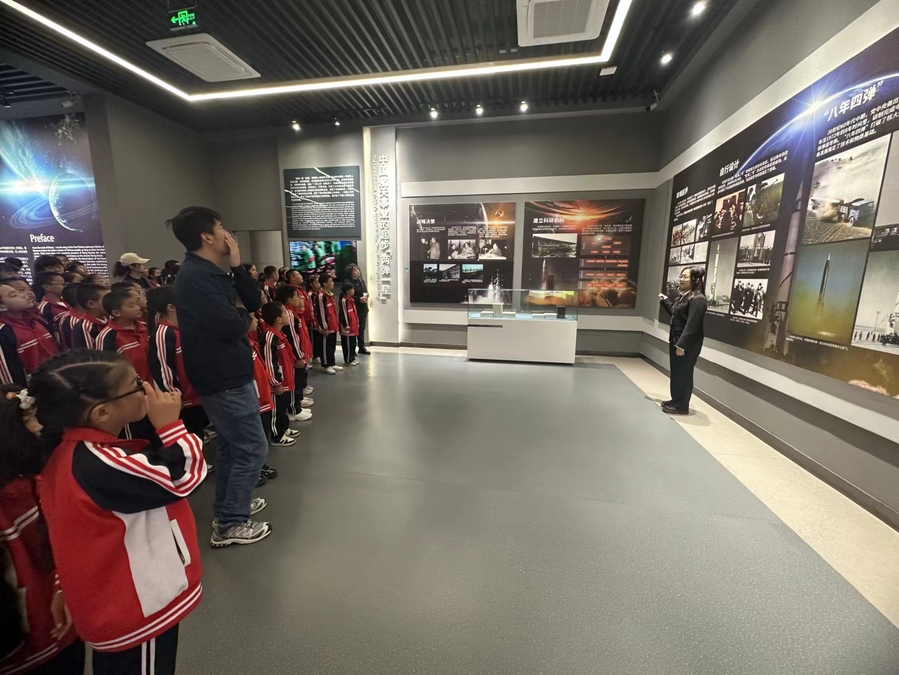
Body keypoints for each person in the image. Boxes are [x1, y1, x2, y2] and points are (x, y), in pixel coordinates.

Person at [31, 350, 206, 674]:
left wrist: (62, 584)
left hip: (114, 604)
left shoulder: (66, 453)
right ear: (102, 412)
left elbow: (65, 534)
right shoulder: (99, 465)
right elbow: (183, 476)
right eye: (136, 385)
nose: (147, 388)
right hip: (137, 610)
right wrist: (171, 426)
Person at [169, 206, 271, 548]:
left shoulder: (212, 272)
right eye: (222, 227)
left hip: (230, 372)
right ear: (207, 236)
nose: (228, 234)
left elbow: (253, 302)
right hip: (222, 376)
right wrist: (244, 319)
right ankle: (230, 523)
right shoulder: (195, 277)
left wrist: (238, 265)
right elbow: (231, 323)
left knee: (231, 446)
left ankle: (230, 508)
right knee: (252, 448)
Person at [0, 384, 83, 675]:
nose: (39, 427)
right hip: (38, 631)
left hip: (52, 622)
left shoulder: (34, 481)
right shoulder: (21, 495)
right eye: (28, 420)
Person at [146, 286, 215, 475]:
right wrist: (175, 396)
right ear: (171, 307)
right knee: (186, 431)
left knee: (196, 430)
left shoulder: (183, 327)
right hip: (182, 398)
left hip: (196, 393)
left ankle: (197, 462)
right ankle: (186, 470)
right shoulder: (163, 333)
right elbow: (163, 369)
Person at [658, 266, 708, 415]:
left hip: (686, 344)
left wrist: (682, 345)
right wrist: (665, 301)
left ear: (695, 279)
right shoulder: (685, 296)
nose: (681, 279)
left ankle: (682, 405)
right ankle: (676, 400)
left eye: (685, 277)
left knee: (684, 373)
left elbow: (692, 324)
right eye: (681, 276)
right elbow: (675, 313)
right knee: (676, 372)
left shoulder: (698, 300)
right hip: (677, 340)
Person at [0, 281, 58, 385]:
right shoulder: (4, 333)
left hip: (56, 380)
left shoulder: (36, 320)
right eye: (14, 295)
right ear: (2, 306)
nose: (24, 295)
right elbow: (10, 378)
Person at [259, 302, 300, 447]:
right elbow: (270, 361)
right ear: (278, 319)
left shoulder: (280, 334)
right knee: (277, 409)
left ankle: (284, 428)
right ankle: (277, 435)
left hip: (286, 379)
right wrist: (275, 382)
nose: (287, 314)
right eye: (284, 312)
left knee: (283, 406)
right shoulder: (270, 336)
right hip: (278, 382)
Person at [245, 314, 279, 486]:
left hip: (262, 395)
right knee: (251, 436)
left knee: (262, 434)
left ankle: (260, 464)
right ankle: (252, 470)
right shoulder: (240, 346)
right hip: (253, 399)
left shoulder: (249, 342)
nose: (257, 320)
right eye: (252, 318)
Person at [275, 285, 314, 414]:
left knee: (298, 380)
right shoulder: (289, 314)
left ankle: (298, 403)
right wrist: (298, 356)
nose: (300, 299)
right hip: (294, 356)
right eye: (297, 296)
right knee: (294, 381)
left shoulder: (292, 313)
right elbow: (292, 338)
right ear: (289, 300)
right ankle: (294, 410)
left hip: (297, 353)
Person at [314, 272, 341, 375]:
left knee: (332, 345)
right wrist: (324, 327)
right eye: (330, 281)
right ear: (325, 284)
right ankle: (326, 365)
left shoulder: (330, 294)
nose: (333, 283)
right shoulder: (321, 296)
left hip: (333, 325)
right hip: (326, 327)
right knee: (325, 347)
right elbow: (321, 313)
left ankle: (332, 363)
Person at [71, 284, 109, 350]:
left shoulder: (110, 317)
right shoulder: (85, 327)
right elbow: (88, 354)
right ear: (91, 304)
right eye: (106, 299)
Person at [345, 264, 370, 355]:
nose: (358, 271)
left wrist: (366, 296)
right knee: (353, 329)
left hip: (363, 308)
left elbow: (365, 291)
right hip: (353, 309)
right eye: (355, 270)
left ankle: (361, 347)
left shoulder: (361, 281)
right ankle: (352, 349)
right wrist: (359, 299)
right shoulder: (347, 283)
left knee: (361, 329)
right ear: (350, 272)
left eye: (358, 270)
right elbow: (347, 296)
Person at [339, 281, 359, 367]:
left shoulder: (351, 300)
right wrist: (346, 325)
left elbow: (354, 313)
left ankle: (352, 358)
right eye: (352, 289)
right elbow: (343, 314)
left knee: (352, 343)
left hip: (353, 326)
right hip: (347, 327)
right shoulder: (344, 301)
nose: (353, 290)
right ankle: (347, 360)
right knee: (347, 344)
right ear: (347, 291)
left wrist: (357, 322)